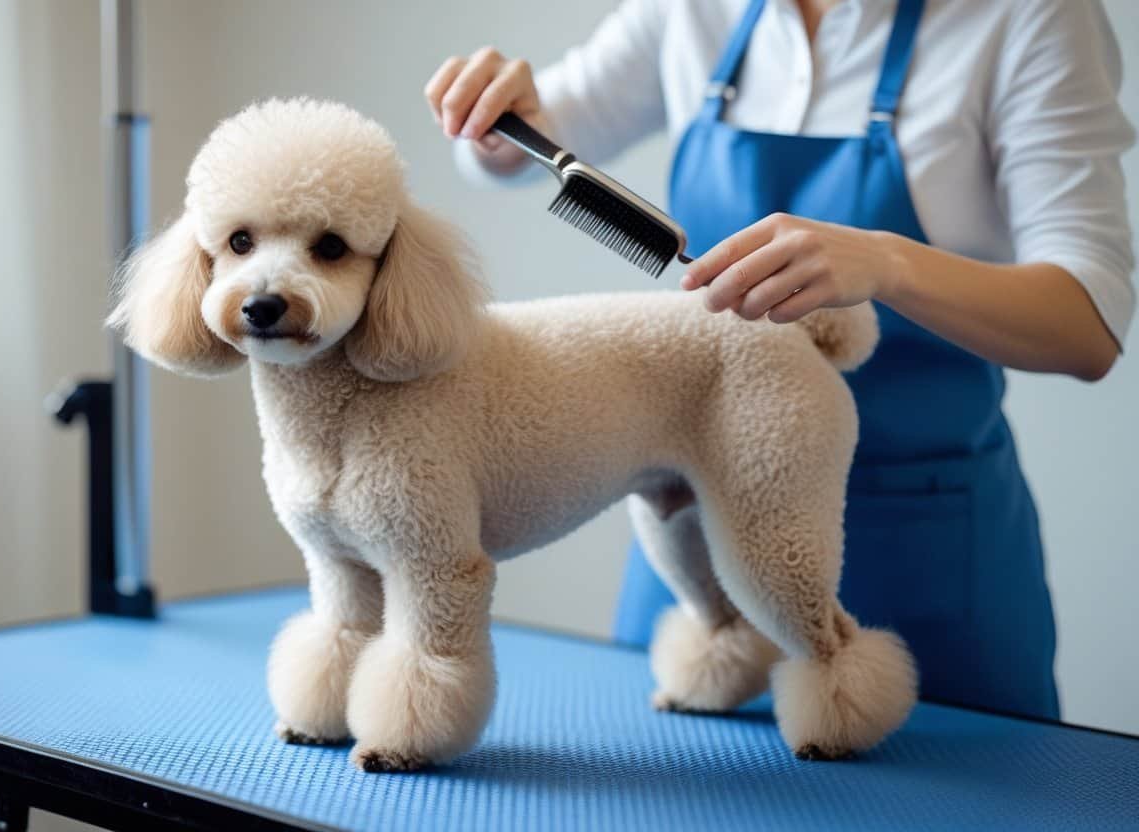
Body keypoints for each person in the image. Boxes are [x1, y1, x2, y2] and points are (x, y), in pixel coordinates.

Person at [424, 0, 1134, 720]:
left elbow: (1089, 322)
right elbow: (524, 146)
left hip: (926, 553)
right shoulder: (692, 11)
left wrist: (888, 261)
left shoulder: (1031, 17)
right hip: (695, 538)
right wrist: (498, 122)